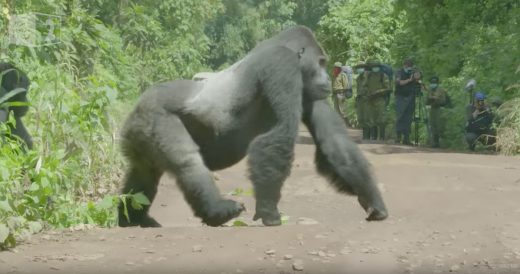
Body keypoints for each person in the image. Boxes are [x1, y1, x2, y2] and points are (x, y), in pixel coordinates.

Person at [357, 60, 390, 140]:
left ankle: (382, 137)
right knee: (371, 119)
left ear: (379, 67)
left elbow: (388, 88)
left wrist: (377, 92)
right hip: (370, 99)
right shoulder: (368, 76)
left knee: (381, 118)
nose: (375, 68)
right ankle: (373, 137)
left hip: (380, 99)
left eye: (376, 66)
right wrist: (367, 93)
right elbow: (364, 86)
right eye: (373, 67)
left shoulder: (383, 76)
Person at [394, 58, 421, 145]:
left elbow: (419, 78)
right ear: (404, 65)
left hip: (410, 96)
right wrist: (409, 80)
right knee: (400, 116)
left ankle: (406, 138)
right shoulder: (399, 72)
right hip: (400, 96)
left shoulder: (413, 72)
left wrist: (416, 76)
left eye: (410, 66)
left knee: (408, 118)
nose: (408, 67)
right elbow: (398, 83)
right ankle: (398, 136)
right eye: (407, 66)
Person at [425, 76, 447, 148]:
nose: (433, 84)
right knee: (432, 125)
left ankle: (442, 142)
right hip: (432, 108)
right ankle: (435, 142)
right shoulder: (430, 90)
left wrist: (436, 99)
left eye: (434, 82)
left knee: (439, 126)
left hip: (439, 108)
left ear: (437, 83)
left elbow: (443, 101)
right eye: (432, 82)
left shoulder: (441, 90)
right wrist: (430, 99)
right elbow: (427, 100)